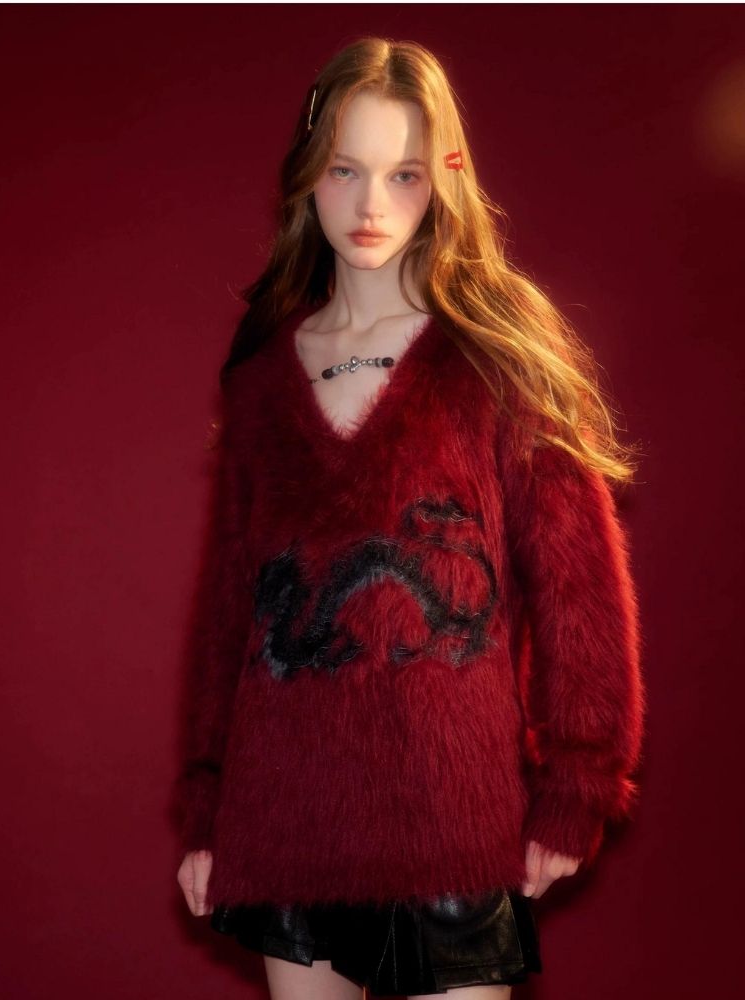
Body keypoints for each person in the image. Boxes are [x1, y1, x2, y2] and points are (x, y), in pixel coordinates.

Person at [172, 36, 646, 1000]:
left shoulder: (497, 356)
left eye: (404, 174)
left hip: (450, 819)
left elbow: (579, 586)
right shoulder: (261, 380)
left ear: (444, 181)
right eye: (345, 169)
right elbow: (230, 608)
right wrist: (207, 801)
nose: (372, 205)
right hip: (286, 814)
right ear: (308, 173)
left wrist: (580, 780)